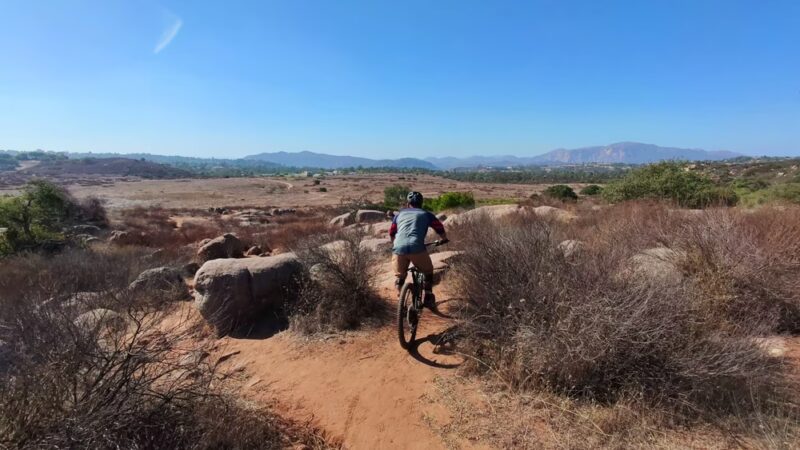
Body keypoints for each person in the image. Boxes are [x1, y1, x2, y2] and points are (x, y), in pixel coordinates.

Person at [389, 191, 447, 308]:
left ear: (408, 203)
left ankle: (401, 299)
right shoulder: (426, 214)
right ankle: (428, 296)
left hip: (399, 248)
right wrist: (444, 238)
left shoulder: (399, 215)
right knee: (428, 270)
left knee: (400, 276)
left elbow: (392, 232)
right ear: (421, 203)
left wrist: (395, 244)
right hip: (417, 247)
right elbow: (439, 227)